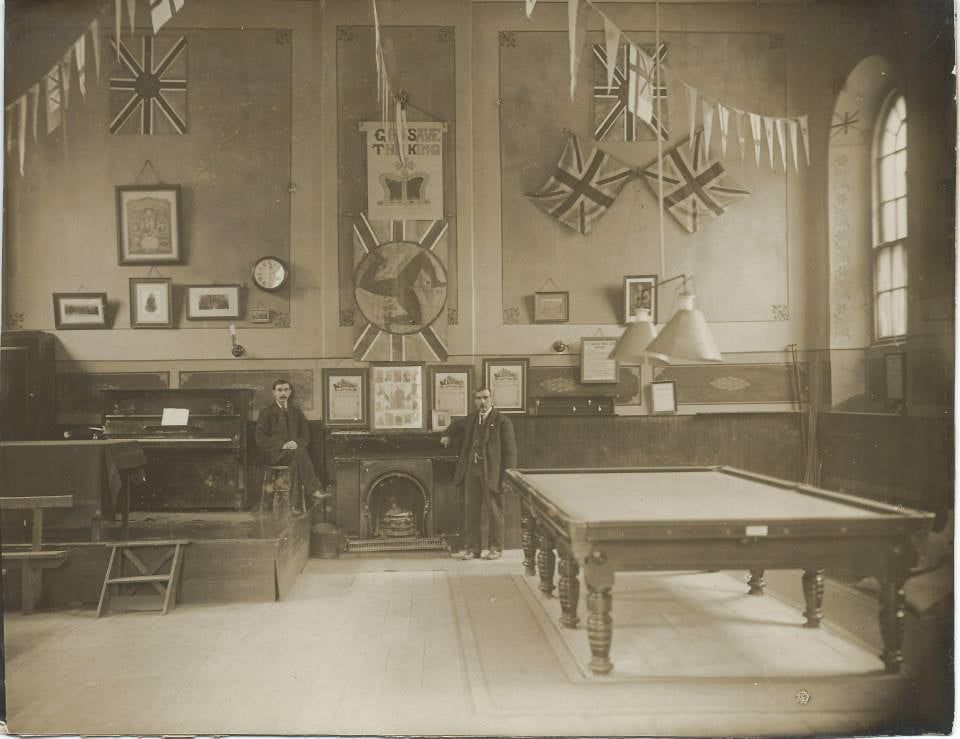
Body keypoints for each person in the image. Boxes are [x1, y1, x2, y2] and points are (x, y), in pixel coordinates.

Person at [440, 387, 517, 560]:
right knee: (471, 511)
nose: (482, 402)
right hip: (471, 470)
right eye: (478, 398)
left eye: (485, 398)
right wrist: (446, 435)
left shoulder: (502, 421)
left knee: (494, 511)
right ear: (474, 400)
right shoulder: (471, 419)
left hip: (492, 472)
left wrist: (506, 478)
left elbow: (511, 453)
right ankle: (472, 549)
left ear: (492, 399)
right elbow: (454, 425)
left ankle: (495, 548)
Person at [255, 379, 330, 515]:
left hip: (293, 454)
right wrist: (282, 445)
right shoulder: (266, 413)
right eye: (279, 390)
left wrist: (296, 443)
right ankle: (314, 490)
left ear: (289, 392)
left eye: (285, 390)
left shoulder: (296, 412)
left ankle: (295, 506)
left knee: (297, 460)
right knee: (300, 454)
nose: (283, 393)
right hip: (274, 454)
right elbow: (260, 439)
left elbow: (306, 436)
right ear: (274, 393)